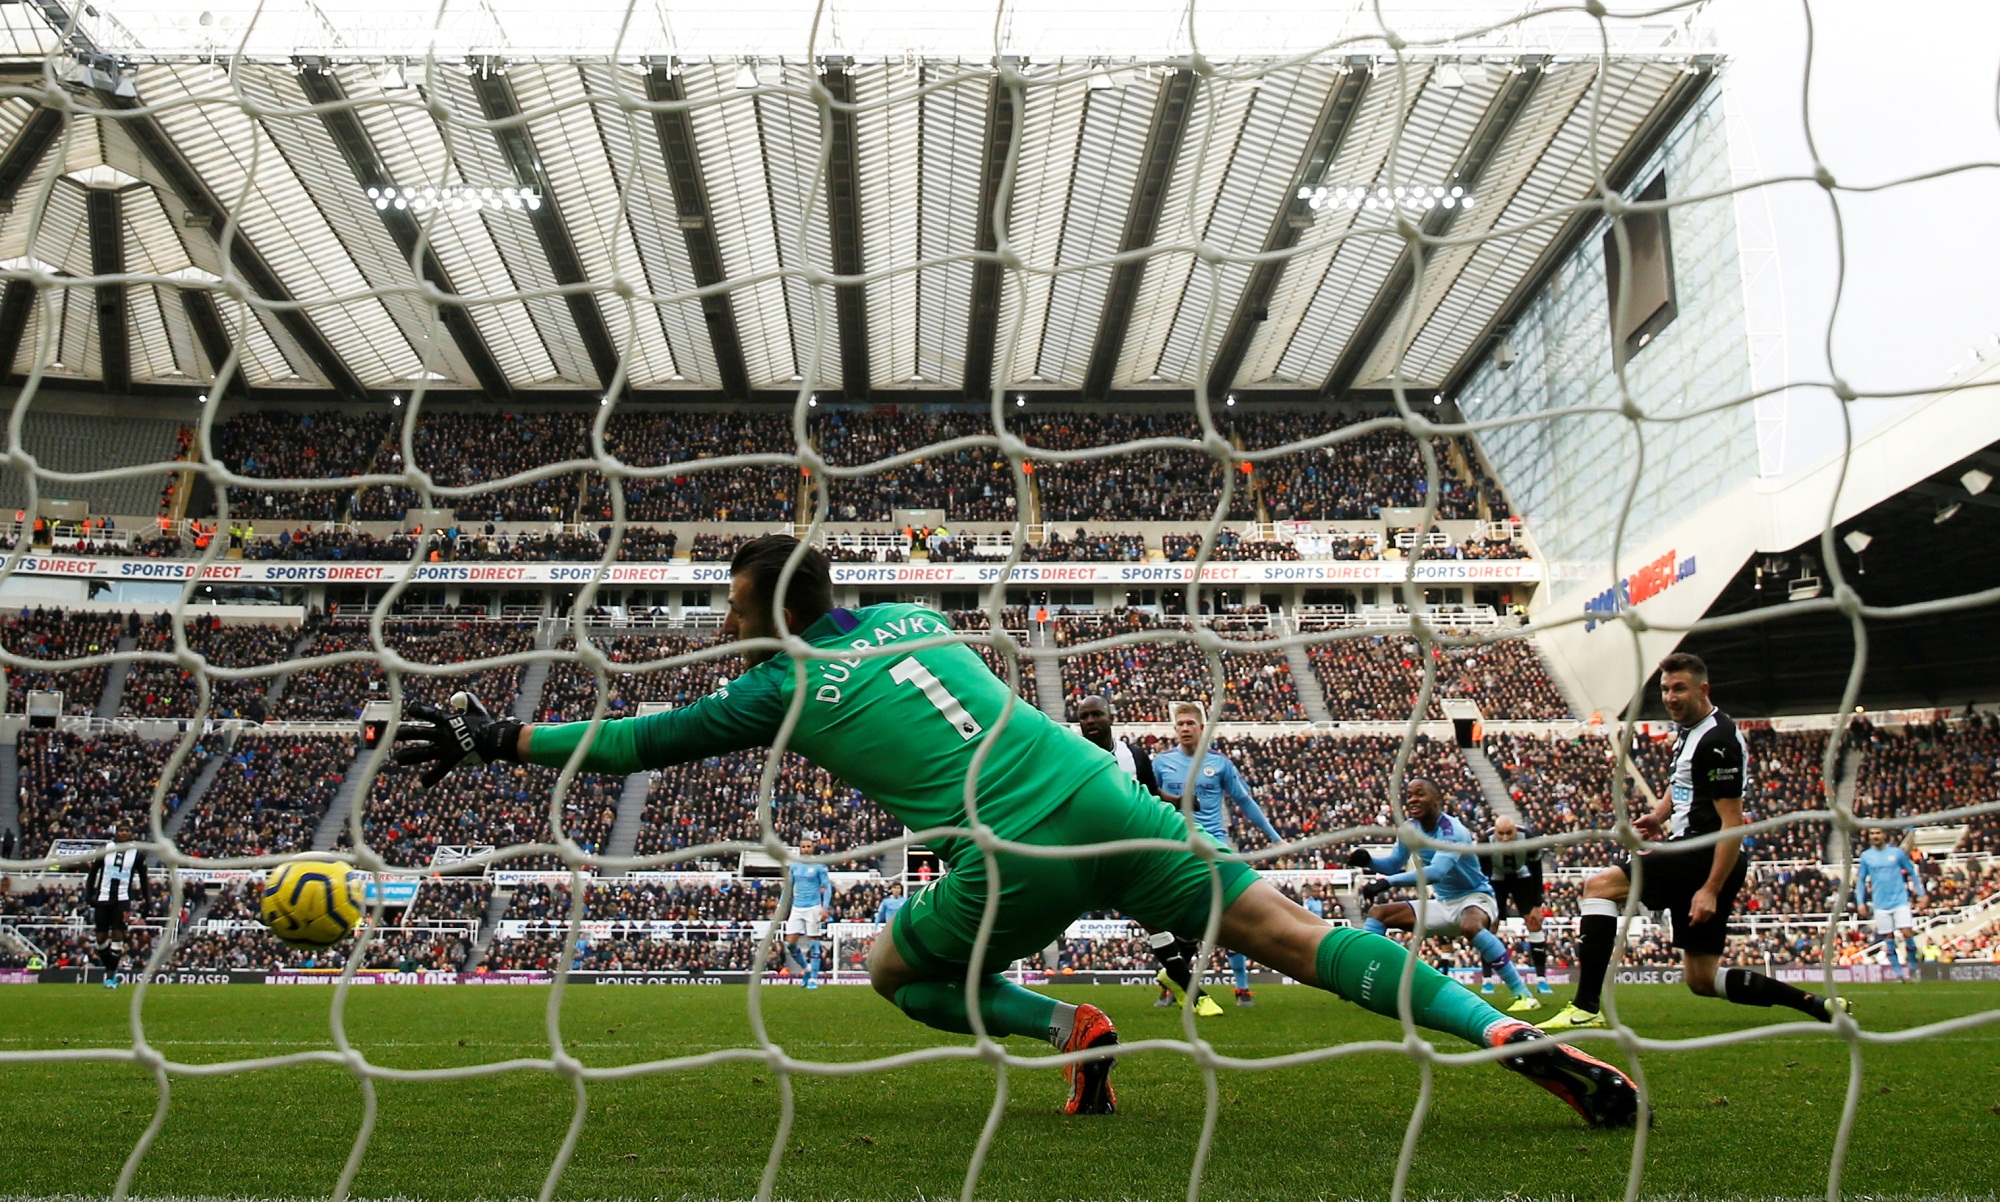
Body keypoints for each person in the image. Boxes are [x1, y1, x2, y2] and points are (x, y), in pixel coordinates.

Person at [394, 534, 1637, 1125]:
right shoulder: (911, 614)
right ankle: (1499, 1028)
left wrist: (495, 739)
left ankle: (1064, 1027)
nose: (719, 614)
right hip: (1105, 796)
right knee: (1291, 931)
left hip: (1010, 851)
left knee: (895, 969)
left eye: (726, 597)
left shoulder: (775, 685)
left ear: (759, 606)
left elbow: (635, 741)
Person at [1543, 652, 1850, 1031]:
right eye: (1666, 689)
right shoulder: (1693, 731)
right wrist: (1659, 816)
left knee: (1598, 886)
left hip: (1704, 851)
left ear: (1703, 689)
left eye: (1679, 689)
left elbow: (1732, 822)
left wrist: (1710, 888)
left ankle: (1586, 1006)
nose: (1671, 697)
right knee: (1701, 980)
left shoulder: (1718, 740)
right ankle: (1817, 1006)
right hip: (1697, 849)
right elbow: (1684, 782)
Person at [1076, 695, 1219, 1018]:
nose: (1090, 721)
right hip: (1092, 852)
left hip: (1138, 847)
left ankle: (1180, 980)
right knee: (1153, 917)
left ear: (1110, 717)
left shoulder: (1134, 755)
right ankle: (1193, 992)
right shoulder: (1073, 756)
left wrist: (1180, 800)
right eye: (1084, 717)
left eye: (1096, 714)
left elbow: (1152, 794)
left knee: (1177, 912)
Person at [1348, 780, 1538, 1013]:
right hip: (1443, 902)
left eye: (1420, 794)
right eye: (1409, 795)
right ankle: (1356, 981)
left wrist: (1387, 882)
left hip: (1476, 898)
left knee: (1470, 926)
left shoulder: (1453, 831)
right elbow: (1393, 864)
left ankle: (1524, 995)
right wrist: (1369, 862)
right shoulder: (1409, 829)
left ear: (1437, 800)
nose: (1413, 799)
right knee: (1377, 914)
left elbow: (1436, 872)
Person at [1152, 702, 1280, 1007]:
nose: (1184, 728)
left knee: (1229, 914)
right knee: (1181, 920)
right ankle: (1176, 984)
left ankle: (1241, 986)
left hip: (1215, 848)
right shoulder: (1161, 763)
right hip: (1177, 847)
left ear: (1201, 728)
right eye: (1179, 724)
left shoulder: (1220, 764)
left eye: (1189, 723)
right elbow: (1149, 799)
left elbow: (1244, 801)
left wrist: (1274, 838)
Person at [1478, 814, 1556, 1000]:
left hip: (1522, 879)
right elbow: (1481, 872)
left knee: (1534, 922)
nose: (1505, 838)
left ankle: (1541, 980)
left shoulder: (1528, 838)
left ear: (1515, 830)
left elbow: (1537, 870)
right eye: (1501, 834)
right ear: (1494, 831)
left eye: (1509, 833)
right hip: (1495, 882)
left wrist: (1537, 903)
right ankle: (1487, 980)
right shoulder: (1485, 842)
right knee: (1490, 926)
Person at [81, 826, 149, 989]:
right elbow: (93, 874)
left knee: (118, 934)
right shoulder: (105, 850)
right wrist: (89, 895)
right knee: (100, 939)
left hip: (122, 900)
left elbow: (144, 879)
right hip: (103, 898)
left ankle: (110, 977)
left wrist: (148, 901)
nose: (124, 833)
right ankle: (110, 968)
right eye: (121, 830)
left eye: (127, 830)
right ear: (116, 833)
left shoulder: (137, 854)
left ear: (132, 833)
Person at [1856, 829, 1926, 983]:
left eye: (1878, 833)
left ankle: (1913, 968)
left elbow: (1912, 872)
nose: (1875, 836)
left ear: (1884, 835)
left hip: (1900, 901)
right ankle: (1899, 974)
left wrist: (1921, 893)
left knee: (1908, 934)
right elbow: (1860, 880)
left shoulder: (1897, 853)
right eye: (1872, 833)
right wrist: (1860, 902)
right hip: (1880, 904)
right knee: (1888, 938)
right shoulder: (1866, 856)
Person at [785, 840, 832, 989]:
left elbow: (827, 887)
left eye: (808, 847)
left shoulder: (819, 867)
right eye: (803, 847)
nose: (805, 849)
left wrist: (825, 908)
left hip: (813, 908)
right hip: (797, 907)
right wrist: (780, 907)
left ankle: (814, 978)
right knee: (790, 943)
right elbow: (788, 888)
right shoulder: (794, 867)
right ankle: (807, 968)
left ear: (813, 848)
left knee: (813, 942)